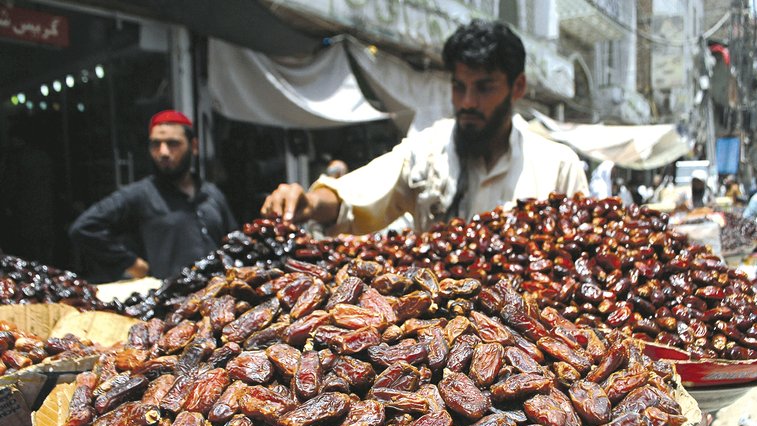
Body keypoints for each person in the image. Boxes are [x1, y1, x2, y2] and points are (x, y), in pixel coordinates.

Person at [260, 19, 588, 235]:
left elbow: (584, 253)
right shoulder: (427, 151)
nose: (468, 102)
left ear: (517, 87)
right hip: (439, 336)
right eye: (459, 86)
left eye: (484, 87)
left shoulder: (558, 167)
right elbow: (360, 194)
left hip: (530, 333)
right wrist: (309, 202)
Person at [69, 110, 238, 282]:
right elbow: (84, 227)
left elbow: (235, 244)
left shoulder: (212, 194)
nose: (163, 152)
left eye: (173, 143)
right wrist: (130, 262)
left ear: (193, 146)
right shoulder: (141, 194)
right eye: (156, 144)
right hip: (172, 301)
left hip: (217, 300)